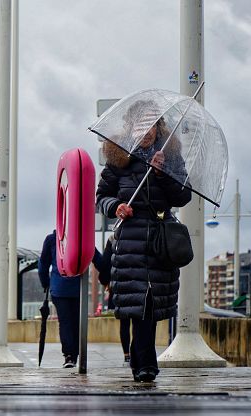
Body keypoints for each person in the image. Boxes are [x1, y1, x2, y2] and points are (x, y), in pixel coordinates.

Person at [96, 102, 191, 382]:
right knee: (140, 303)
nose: (146, 131)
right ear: (131, 126)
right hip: (130, 239)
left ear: (158, 126)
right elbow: (100, 196)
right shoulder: (118, 158)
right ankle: (146, 364)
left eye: (151, 125)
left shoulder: (170, 156)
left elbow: (182, 197)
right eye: (140, 125)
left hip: (160, 239)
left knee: (151, 304)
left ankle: (141, 362)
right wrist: (116, 206)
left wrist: (162, 173)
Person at [37, 230, 102, 368]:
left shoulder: (51, 239)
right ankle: (74, 354)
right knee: (77, 322)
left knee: (65, 322)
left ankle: (69, 356)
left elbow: (43, 264)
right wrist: (107, 276)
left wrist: (46, 283)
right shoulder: (83, 237)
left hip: (59, 288)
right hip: (79, 288)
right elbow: (98, 259)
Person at [98, 234, 130, 363]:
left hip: (120, 285)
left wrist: (106, 282)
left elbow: (105, 264)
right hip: (141, 283)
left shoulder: (113, 238)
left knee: (125, 322)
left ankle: (127, 354)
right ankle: (140, 353)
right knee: (141, 322)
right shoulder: (145, 230)